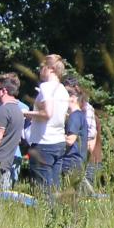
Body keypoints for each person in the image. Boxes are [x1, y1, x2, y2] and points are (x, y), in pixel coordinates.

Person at [22, 55, 71, 191]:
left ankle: (45, 212)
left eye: (42, 67)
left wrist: (24, 113)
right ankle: (57, 213)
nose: (39, 71)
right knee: (54, 188)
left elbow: (47, 114)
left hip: (43, 144)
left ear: (50, 68)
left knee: (42, 190)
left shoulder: (47, 87)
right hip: (59, 142)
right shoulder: (62, 90)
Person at [55, 77, 90, 183]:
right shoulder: (80, 115)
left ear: (73, 98)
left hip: (71, 162)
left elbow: (70, 140)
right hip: (77, 162)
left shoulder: (75, 116)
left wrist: (54, 134)